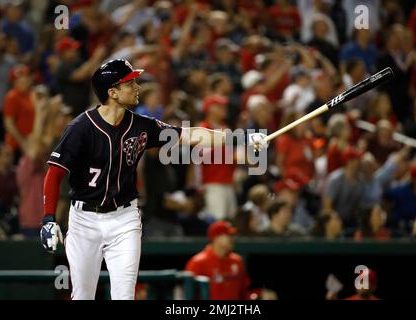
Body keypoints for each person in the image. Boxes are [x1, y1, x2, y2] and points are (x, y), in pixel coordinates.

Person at [39, 59, 268, 300]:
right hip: (84, 219)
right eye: (130, 83)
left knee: (124, 296)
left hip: (124, 218)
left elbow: (189, 135)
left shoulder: (142, 125)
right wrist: (48, 218)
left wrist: (241, 137)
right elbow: (54, 173)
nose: (137, 87)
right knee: (83, 295)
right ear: (112, 92)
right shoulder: (81, 128)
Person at [185, 220, 277, 300]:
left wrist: (259, 295)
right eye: (228, 235)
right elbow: (188, 294)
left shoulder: (237, 260)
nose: (232, 239)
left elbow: (244, 294)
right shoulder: (198, 262)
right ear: (217, 238)